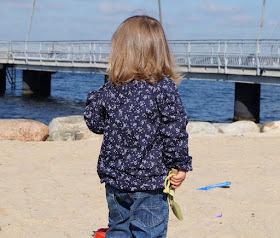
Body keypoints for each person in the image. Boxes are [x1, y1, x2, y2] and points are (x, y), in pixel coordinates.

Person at [84, 15, 192, 238]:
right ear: (160, 51)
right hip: (149, 182)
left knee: (119, 229)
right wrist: (179, 165)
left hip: (115, 181)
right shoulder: (163, 88)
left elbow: (94, 123)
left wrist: (97, 97)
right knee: (148, 232)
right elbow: (174, 130)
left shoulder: (112, 88)